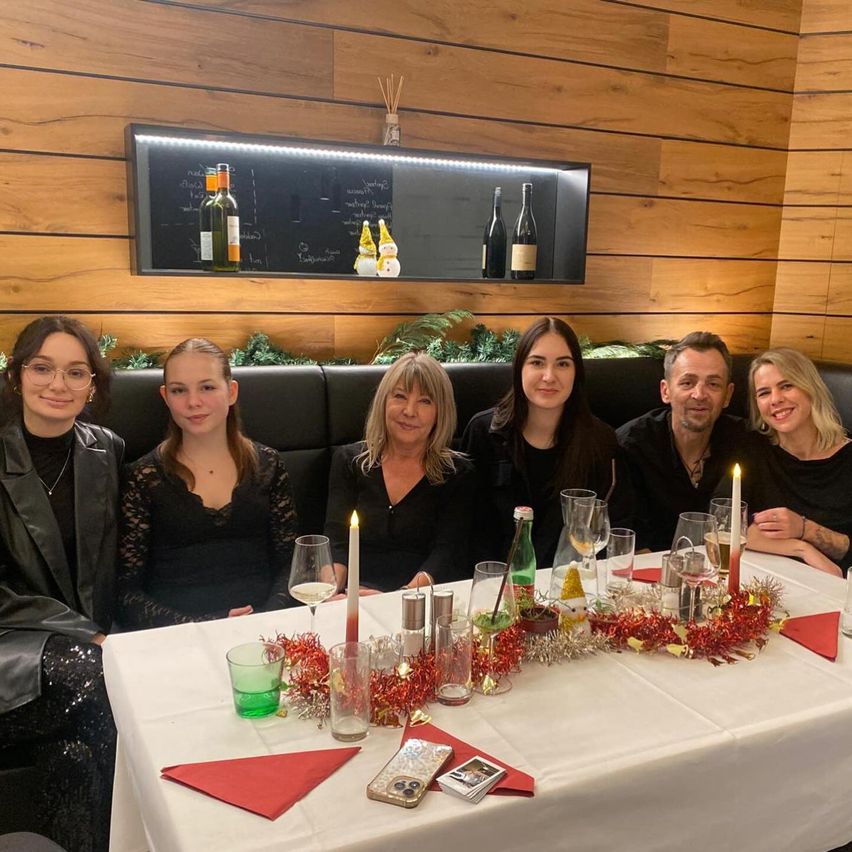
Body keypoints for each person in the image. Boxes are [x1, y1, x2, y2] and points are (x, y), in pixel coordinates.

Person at [0, 316, 124, 852]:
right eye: (42, 368)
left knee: (74, 751)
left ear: (92, 386)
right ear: (16, 378)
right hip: (14, 642)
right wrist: (83, 634)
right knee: (103, 676)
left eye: (76, 372)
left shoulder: (108, 450)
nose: (58, 384)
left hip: (89, 643)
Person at [117, 338, 298, 628]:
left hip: (268, 632)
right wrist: (207, 624)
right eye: (179, 390)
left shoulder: (269, 465)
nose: (193, 402)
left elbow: (290, 565)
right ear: (165, 397)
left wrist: (265, 620)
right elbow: (126, 593)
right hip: (179, 638)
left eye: (207, 387)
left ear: (231, 391)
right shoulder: (143, 477)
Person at [462, 317, 631, 567]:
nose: (549, 376)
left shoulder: (602, 441)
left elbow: (616, 527)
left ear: (577, 373)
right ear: (520, 368)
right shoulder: (484, 432)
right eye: (537, 363)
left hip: (572, 588)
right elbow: (465, 525)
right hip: (493, 588)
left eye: (562, 364)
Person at [324, 351, 474, 592]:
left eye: (425, 401)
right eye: (400, 396)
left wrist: (398, 599)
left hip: (419, 603)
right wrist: (331, 595)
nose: (409, 411)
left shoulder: (457, 473)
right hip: (353, 598)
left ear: (440, 412)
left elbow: (446, 554)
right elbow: (337, 544)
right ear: (384, 401)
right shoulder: (349, 461)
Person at [616, 331, 748, 552]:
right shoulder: (629, 446)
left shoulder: (746, 442)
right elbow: (629, 542)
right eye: (687, 383)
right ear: (665, 391)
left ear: (727, 395)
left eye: (713, 384)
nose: (699, 394)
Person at [743, 347, 851, 576]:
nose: (776, 399)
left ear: (810, 388)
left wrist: (804, 528)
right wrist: (803, 549)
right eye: (764, 392)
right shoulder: (755, 450)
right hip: (766, 582)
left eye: (786, 386)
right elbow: (725, 523)